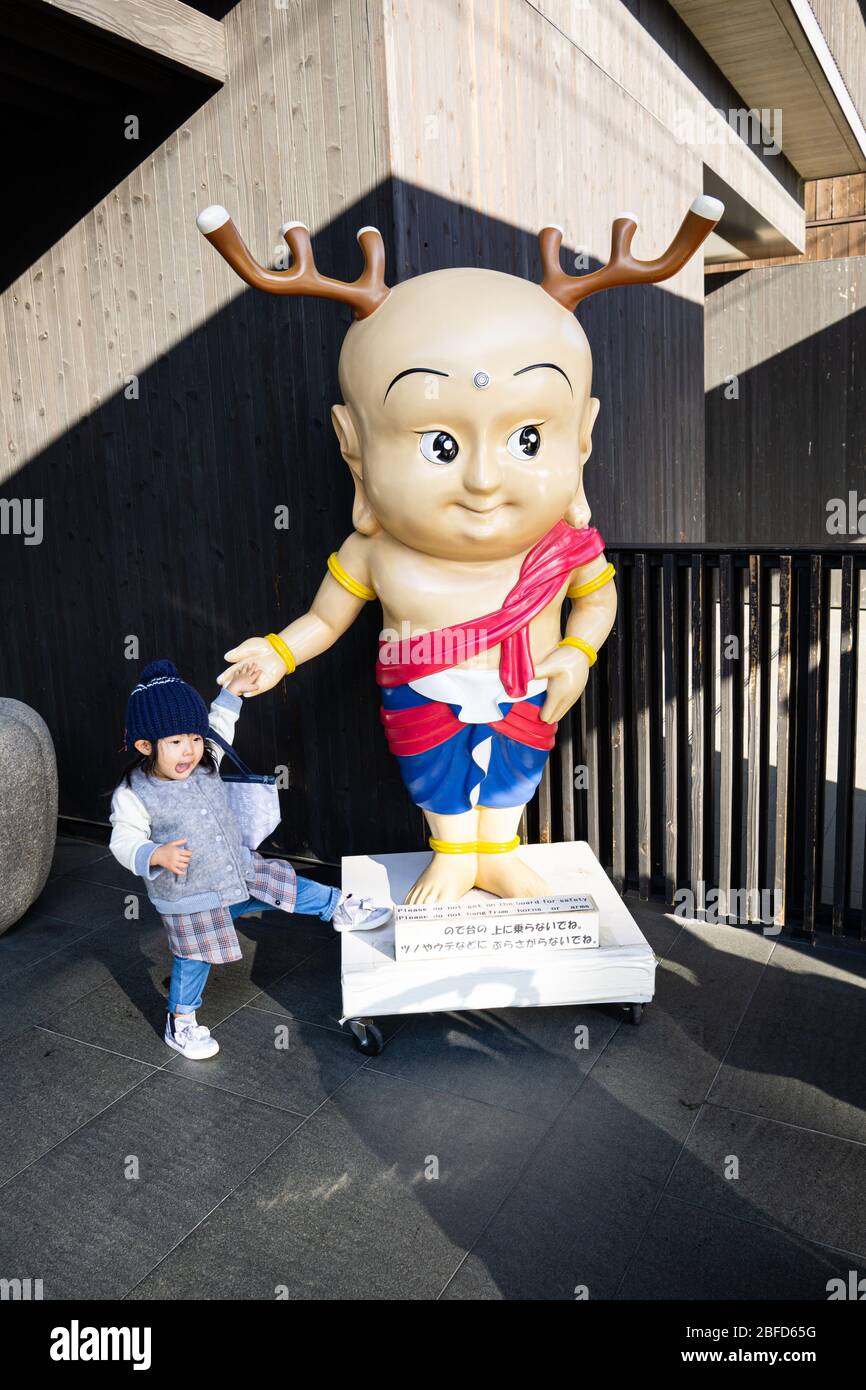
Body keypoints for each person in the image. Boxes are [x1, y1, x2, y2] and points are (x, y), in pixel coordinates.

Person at [109, 659, 391, 1059]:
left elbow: (220, 724)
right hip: (191, 897)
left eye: (193, 737)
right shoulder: (134, 792)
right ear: (144, 746)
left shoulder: (205, 760)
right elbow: (123, 838)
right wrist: (154, 852)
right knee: (194, 956)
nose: (189, 749)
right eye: (175, 742)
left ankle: (339, 908)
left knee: (284, 885)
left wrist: (233, 691)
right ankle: (181, 1022)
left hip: (236, 871)